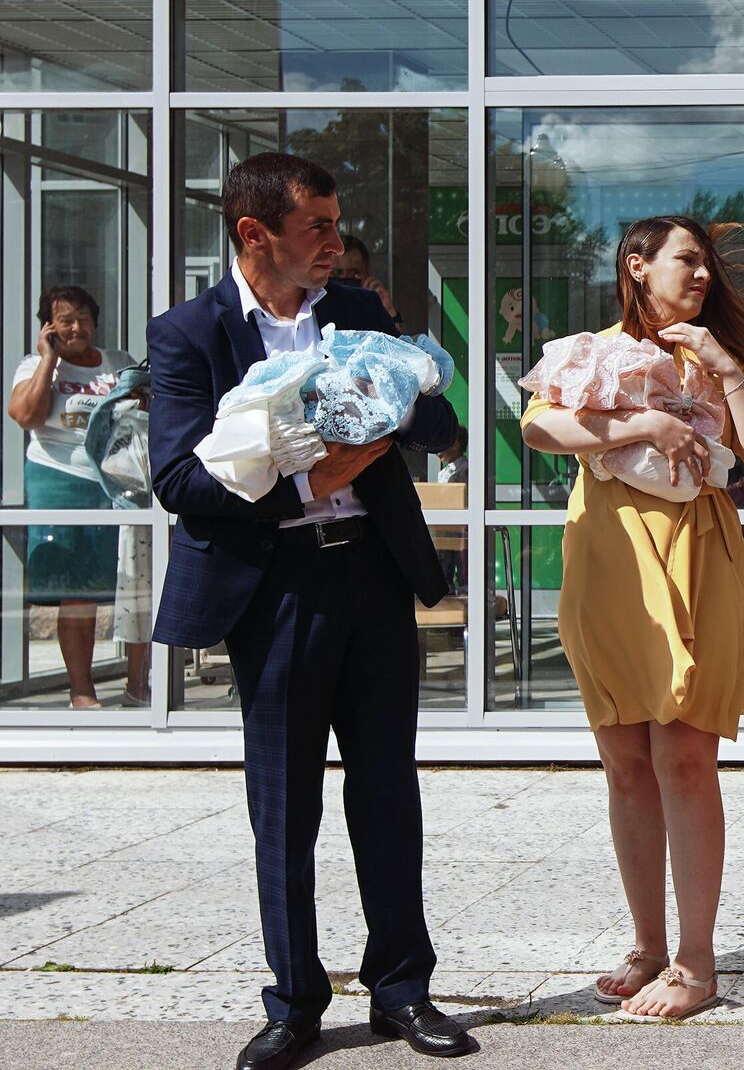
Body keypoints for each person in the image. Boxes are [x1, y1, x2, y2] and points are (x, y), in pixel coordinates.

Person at [147, 153, 470, 1070]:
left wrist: (391, 408)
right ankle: (294, 1004)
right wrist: (301, 482)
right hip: (275, 586)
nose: (335, 243)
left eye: (335, 224)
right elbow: (178, 480)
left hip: (371, 576)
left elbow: (442, 430)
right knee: (283, 806)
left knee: (386, 791)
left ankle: (402, 991)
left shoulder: (360, 312)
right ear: (256, 235)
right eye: (317, 227)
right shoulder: (187, 335)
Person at [519, 215, 744, 1020]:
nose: (703, 273)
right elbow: (539, 426)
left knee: (683, 756)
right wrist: (643, 421)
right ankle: (647, 946)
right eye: (687, 260)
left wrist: (724, 368)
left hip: (699, 553)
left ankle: (696, 960)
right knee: (624, 759)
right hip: (610, 558)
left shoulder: (716, 358)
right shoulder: (589, 349)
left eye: (707, 262)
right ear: (638, 267)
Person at [8, 287, 147, 707]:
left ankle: (139, 687)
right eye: (65, 319)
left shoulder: (117, 362)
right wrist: (49, 360)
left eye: (83, 317)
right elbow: (26, 417)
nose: (76, 327)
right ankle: (81, 690)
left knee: (134, 584)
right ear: (47, 327)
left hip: (120, 482)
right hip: (60, 481)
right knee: (77, 590)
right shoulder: (33, 366)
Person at [337, 234, 400, 326]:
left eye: (353, 273)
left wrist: (388, 312)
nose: (344, 280)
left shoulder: (372, 306)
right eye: (335, 273)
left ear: (367, 273)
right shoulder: (315, 309)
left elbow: (397, 340)